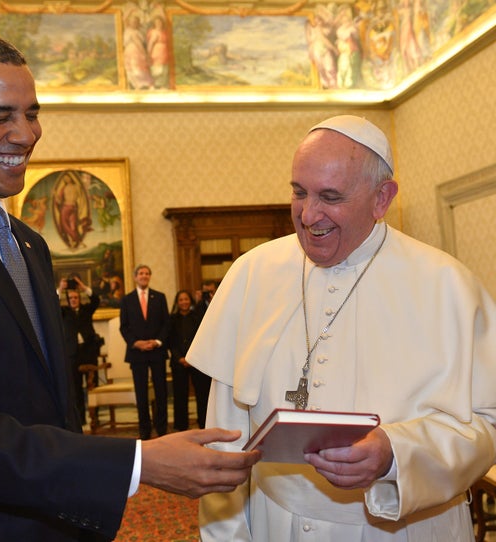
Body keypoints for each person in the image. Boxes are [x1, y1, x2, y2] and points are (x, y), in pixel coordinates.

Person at [0, 31, 258, 542]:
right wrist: (139, 462)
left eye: (31, 113)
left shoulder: (27, 242)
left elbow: (49, 406)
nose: (27, 134)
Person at [187, 114, 496, 541]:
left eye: (330, 196)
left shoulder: (447, 286)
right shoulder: (252, 274)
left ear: (381, 198)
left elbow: (487, 424)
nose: (308, 214)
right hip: (276, 523)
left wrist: (395, 454)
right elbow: (225, 436)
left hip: (405, 528)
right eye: (299, 192)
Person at [119, 265, 171, 440]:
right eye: (141, 273)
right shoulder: (127, 300)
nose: (144, 276)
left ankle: (162, 427)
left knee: (161, 391)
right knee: (141, 394)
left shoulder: (160, 297)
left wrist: (156, 342)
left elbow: (166, 324)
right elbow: (124, 327)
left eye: (147, 273)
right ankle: (144, 429)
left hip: (157, 351)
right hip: (137, 353)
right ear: (135, 277)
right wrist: (136, 343)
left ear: (150, 277)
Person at [59, 275, 102, 425]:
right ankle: (81, 419)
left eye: (76, 297)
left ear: (79, 298)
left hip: (88, 352)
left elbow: (96, 300)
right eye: (71, 298)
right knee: (76, 388)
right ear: (68, 299)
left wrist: (83, 287)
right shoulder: (63, 312)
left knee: (92, 385)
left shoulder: (86, 310)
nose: (74, 300)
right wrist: (61, 288)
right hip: (72, 354)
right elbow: (50, 303)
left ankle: (95, 418)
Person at [168, 290, 211, 430]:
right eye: (181, 300)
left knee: (202, 395)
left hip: (196, 361)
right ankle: (181, 426)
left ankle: (204, 424)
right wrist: (179, 357)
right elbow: (171, 341)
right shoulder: (172, 319)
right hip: (178, 361)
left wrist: (191, 358)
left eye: (186, 299)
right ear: (177, 302)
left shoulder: (198, 317)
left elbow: (201, 338)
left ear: (190, 301)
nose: (184, 302)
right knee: (180, 395)